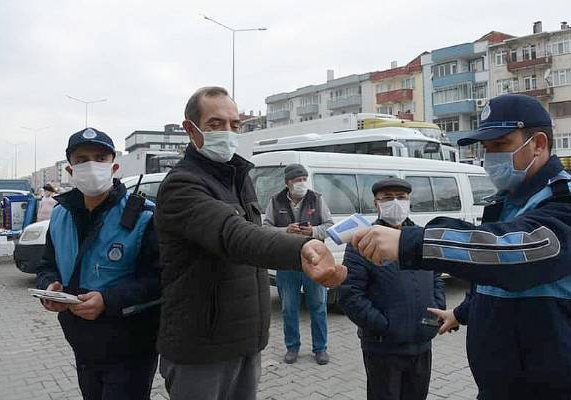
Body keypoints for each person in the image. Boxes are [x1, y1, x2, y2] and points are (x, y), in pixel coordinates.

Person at [351, 94, 571, 400]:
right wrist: (461, 313)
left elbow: (512, 254)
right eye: (485, 148)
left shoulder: (570, 204)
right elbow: (492, 275)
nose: (490, 157)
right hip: (499, 386)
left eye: (500, 145)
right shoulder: (510, 202)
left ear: (538, 144)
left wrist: (411, 242)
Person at [154, 86, 347, 400]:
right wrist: (301, 249)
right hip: (201, 345)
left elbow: (256, 235)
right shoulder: (182, 184)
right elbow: (235, 235)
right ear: (191, 129)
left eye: (234, 125)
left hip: (244, 338)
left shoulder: (239, 177)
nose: (227, 132)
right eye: (215, 124)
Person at [36, 128, 161, 400]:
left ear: (114, 166)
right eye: (81, 159)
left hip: (130, 345)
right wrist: (50, 287)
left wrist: (107, 300)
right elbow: (46, 265)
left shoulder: (144, 216)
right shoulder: (60, 215)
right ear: (70, 170)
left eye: (100, 157)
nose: (91, 165)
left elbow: (160, 279)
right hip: (81, 340)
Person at [338, 178, 445, 400]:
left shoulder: (420, 237)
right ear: (376, 203)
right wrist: (385, 326)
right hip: (383, 348)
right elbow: (350, 295)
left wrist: (437, 312)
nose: (396, 203)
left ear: (409, 201)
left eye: (401, 197)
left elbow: (436, 277)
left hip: (422, 342)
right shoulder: (362, 241)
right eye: (388, 198)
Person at [263, 164, 334, 365]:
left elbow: (329, 226)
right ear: (288, 183)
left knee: (318, 306)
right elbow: (265, 228)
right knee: (288, 308)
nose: (302, 183)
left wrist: (313, 231)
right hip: (287, 262)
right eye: (297, 180)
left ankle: (320, 349)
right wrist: (286, 230)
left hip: (315, 262)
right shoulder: (275, 201)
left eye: (304, 178)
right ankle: (292, 347)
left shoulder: (316, 198)